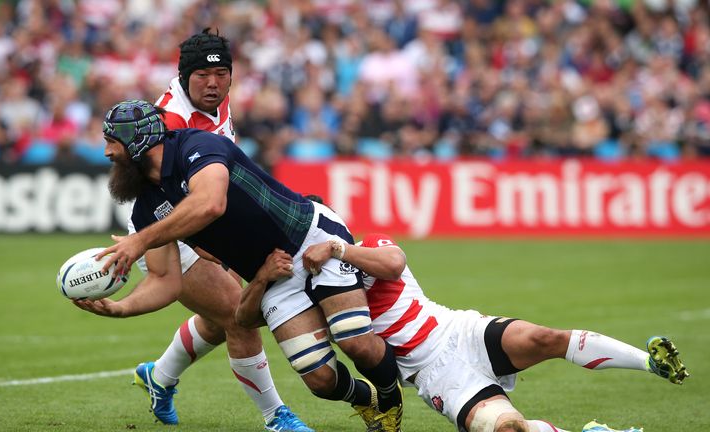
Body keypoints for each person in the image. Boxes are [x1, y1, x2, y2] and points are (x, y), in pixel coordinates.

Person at [97, 99, 404, 432]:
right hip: (271, 275)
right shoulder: (146, 208)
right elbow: (167, 280)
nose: (107, 152)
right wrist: (120, 308)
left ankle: (389, 400)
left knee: (354, 341)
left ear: (138, 140)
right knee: (319, 379)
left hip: (311, 238)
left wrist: (140, 241)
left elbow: (211, 203)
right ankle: (369, 397)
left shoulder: (197, 145)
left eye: (113, 141)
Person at [75, 29, 312, 432]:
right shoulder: (170, 119)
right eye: (202, 75)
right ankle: (276, 417)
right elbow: (164, 196)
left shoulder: (214, 97)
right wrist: (197, 237)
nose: (214, 83)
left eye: (222, 75)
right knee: (240, 315)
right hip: (167, 222)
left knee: (221, 317)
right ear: (185, 77)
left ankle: (160, 376)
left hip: (203, 212)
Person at [236, 229, 689, 432]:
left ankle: (649, 362)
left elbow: (396, 262)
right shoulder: (308, 292)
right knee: (509, 429)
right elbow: (249, 319)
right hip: (436, 376)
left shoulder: (362, 247)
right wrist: (261, 278)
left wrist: (336, 247)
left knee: (544, 338)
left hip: (459, 330)